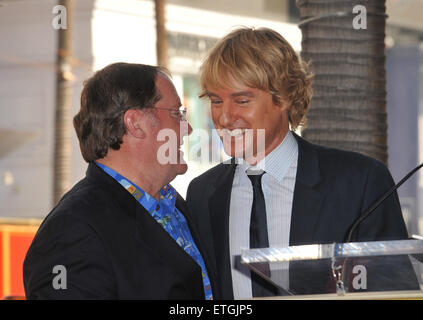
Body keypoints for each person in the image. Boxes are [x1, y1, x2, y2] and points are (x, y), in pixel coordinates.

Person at [186, 27, 415, 299]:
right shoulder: (203, 194)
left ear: (284, 97)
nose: (224, 117)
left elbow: (392, 292)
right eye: (216, 101)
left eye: (242, 100)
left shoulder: (360, 182)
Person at [23, 62, 214, 299]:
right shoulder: (73, 229)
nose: (189, 128)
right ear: (135, 123)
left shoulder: (177, 207)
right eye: (177, 114)